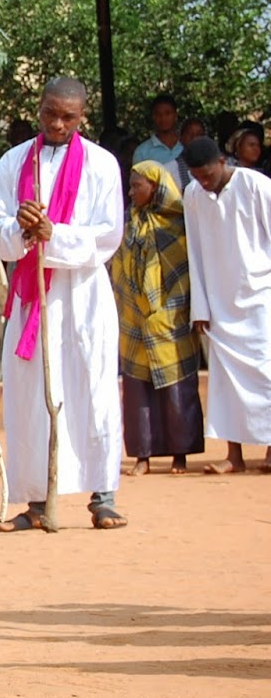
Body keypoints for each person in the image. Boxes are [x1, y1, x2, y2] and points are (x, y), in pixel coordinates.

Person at [0, 78, 126, 530]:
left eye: (68, 117)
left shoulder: (102, 164)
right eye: (51, 113)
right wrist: (22, 230)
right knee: (31, 397)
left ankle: (102, 496)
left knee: (93, 390)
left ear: (82, 116)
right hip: (33, 297)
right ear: (40, 108)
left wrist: (55, 235)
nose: (58, 124)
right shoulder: (14, 162)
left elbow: (109, 233)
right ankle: (36, 503)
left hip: (82, 294)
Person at [180, 137, 271, 473]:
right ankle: (234, 455)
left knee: (266, 373)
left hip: (261, 297)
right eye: (197, 177)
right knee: (225, 382)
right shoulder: (193, 194)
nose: (203, 182)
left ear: (222, 161)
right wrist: (200, 306)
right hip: (219, 302)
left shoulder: (257, 186)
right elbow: (195, 251)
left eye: (207, 175)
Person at [111, 160, 204, 475]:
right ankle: (143, 456)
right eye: (131, 185)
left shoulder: (178, 225)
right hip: (133, 317)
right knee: (138, 391)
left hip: (171, 318)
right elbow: (119, 268)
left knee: (178, 388)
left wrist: (166, 311)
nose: (131, 192)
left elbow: (185, 274)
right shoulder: (129, 223)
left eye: (137, 185)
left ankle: (180, 454)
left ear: (156, 187)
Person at [134, 94, 184, 168]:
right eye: (158, 114)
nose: (163, 118)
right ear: (153, 117)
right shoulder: (142, 152)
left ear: (175, 115)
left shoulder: (186, 145)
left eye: (167, 113)